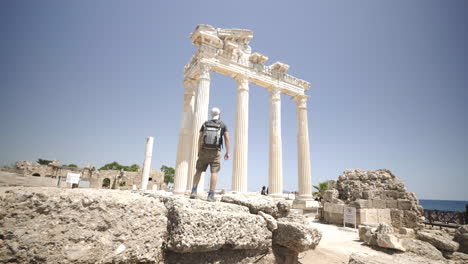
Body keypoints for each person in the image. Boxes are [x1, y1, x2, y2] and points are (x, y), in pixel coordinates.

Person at [190, 107, 230, 202]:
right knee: (214, 172)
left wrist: (199, 151)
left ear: (211, 114)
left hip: (204, 150)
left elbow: (199, 139)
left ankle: (194, 191)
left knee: (198, 170)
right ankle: (211, 194)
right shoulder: (222, 125)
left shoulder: (205, 124)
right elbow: (227, 139)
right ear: (219, 114)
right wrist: (227, 152)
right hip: (215, 151)